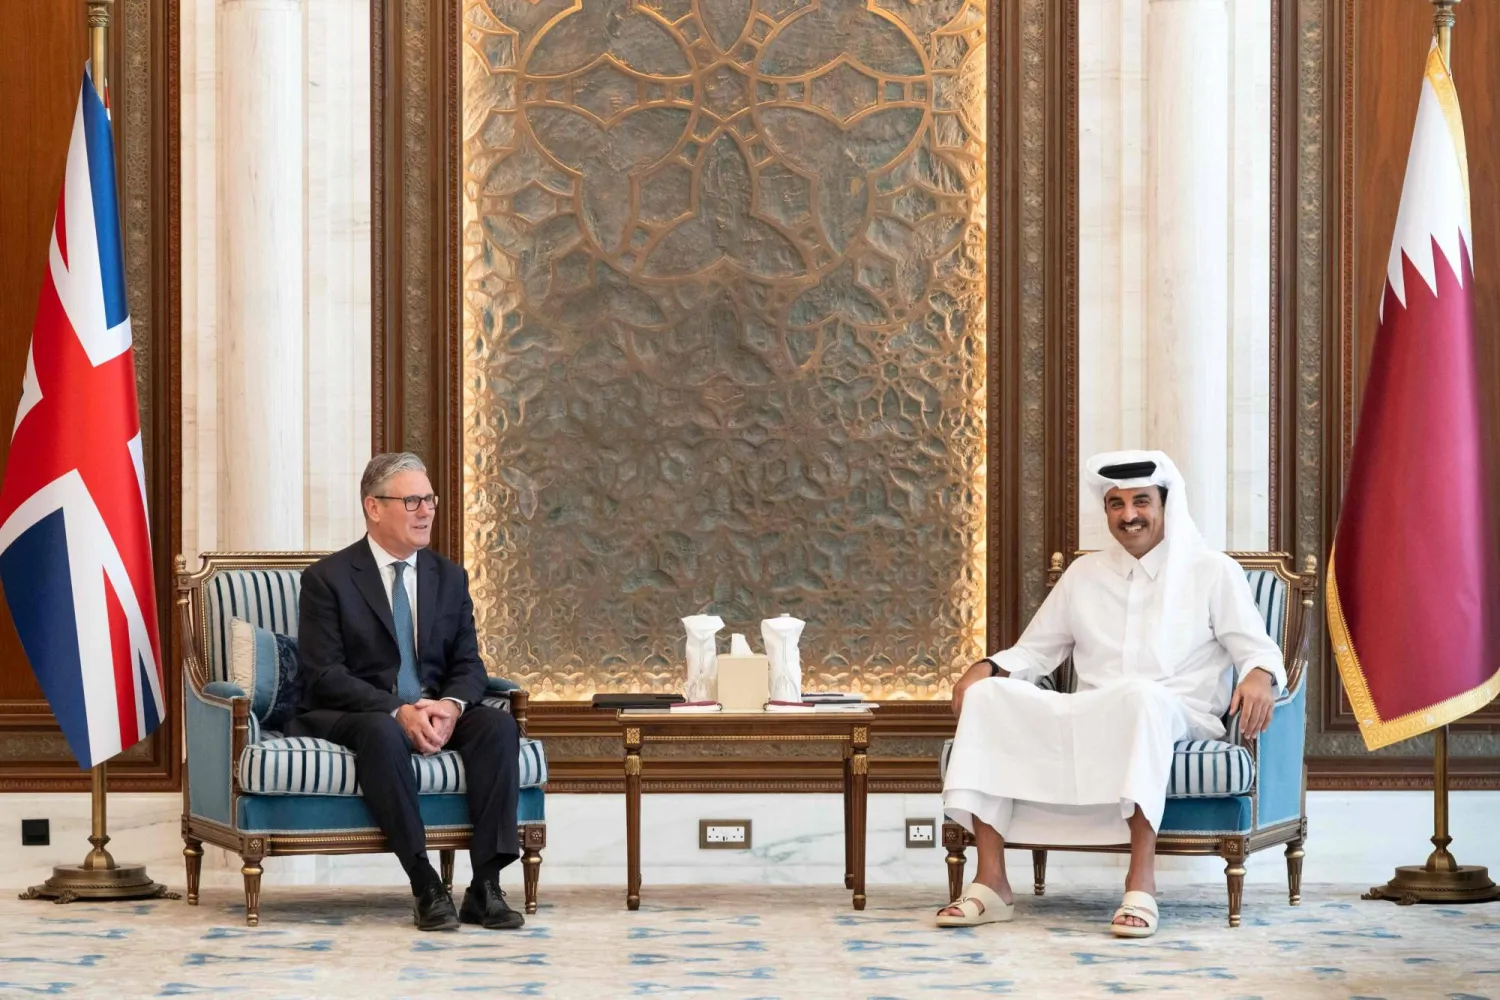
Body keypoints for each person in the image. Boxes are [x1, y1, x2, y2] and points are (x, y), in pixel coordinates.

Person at [937, 450, 1284, 937]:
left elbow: (1257, 649)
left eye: (1141, 501)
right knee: (990, 696)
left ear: (1166, 505)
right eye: (1116, 504)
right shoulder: (1084, 574)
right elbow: (1035, 651)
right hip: (1092, 709)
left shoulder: (1211, 570)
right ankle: (991, 882)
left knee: (1140, 697)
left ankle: (1141, 885)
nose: (1129, 515)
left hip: (1175, 709)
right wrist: (987, 667)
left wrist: (1259, 676)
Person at [289, 452, 524, 932]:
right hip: (360, 711)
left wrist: (450, 706)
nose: (426, 511)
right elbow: (324, 674)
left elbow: (469, 664)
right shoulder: (327, 580)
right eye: (412, 500)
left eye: (430, 500)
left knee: (498, 725)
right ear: (374, 508)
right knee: (382, 732)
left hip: (434, 707)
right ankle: (425, 884)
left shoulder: (450, 577)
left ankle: (485, 885)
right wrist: (399, 710)